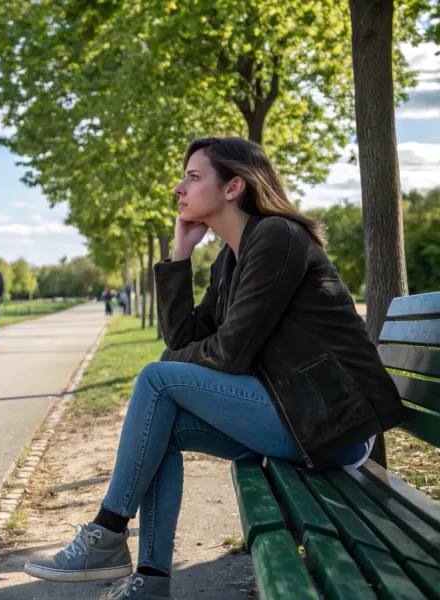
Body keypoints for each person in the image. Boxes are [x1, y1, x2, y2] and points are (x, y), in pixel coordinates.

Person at [23, 137, 405, 599]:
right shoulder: (230, 258)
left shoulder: (277, 238)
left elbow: (229, 354)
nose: (178, 188)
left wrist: (167, 367)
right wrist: (180, 255)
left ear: (234, 187)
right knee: (159, 429)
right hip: (292, 414)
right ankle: (151, 579)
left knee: (156, 379)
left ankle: (106, 531)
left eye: (194, 176)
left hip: (331, 426)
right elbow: (185, 339)